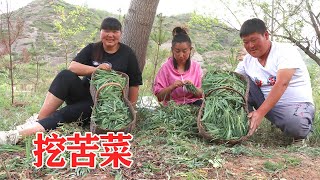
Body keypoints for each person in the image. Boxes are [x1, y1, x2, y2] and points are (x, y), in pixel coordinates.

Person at [0, 17, 142, 145]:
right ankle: (40, 118)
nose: (110, 35)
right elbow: (73, 67)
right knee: (65, 75)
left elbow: (134, 84)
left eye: (115, 31)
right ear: (100, 32)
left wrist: (130, 110)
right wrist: (97, 69)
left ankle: (15, 136)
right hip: (83, 94)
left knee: (62, 114)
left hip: (100, 106)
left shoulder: (127, 54)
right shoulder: (92, 48)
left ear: (120, 33)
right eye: (106, 30)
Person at [235, 18, 315, 142]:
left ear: (266, 35)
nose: (250, 46)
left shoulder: (285, 51)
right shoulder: (247, 61)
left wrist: (260, 113)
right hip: (267, 106)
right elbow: (230, 80)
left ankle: (304, 132)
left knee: (297, 127)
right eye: (246, 42)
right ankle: (245, 127)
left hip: (296, 106)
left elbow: (282, 83)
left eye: (254, 40)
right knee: (238, 81)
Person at [153, 27, 203, 106]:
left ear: (190, 49)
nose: (181, 55)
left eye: (184, 51)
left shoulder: (196, 68)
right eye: (177, 51)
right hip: (173, 107)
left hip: (193, 105)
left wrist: (192, 88)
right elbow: (159, 96)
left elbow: (202, 93)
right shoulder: (165, 69)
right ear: (172, 50)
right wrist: (172, 87)